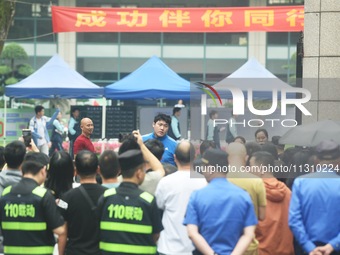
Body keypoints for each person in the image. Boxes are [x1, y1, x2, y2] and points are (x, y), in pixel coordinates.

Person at [184, 149, 258, 255]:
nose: (203, 171)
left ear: (210, 169)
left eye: (203, 168)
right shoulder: (244, 196)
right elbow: (249, 234)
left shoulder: (197, 196)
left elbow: (192, 233)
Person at [97, 149, 163, 255]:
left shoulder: (106, 198)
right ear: (138, 173)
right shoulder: (148, 200)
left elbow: (97, 230)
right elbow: (156, 234)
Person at [0, 159, 66, 255]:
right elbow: (60, 230)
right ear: (43, 170)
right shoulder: (43, 195)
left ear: (22, 171)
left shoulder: (6, 193)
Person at [289, 140, 340, 255]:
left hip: (308, 249)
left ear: (316, 161)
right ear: (339, 162)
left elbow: (294, 220)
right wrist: (333, 244)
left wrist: (309, 247)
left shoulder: (300, 182)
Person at [155, 141, 207, 255]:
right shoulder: (204, 182)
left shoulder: (165, 182)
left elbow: (158, 207)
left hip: (168, 248)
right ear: (194, 157)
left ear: (174, 157)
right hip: (196, 248)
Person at [58, 150, 107, 255]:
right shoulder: (109, 196)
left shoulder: (66, 198)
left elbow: (63, 232)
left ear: (76, 171)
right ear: (98, 169)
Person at [249, 151, 294, 255]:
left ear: (261, 169)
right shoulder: (288, 192)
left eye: (251, 165)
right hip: (286, 250)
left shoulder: (253, 193)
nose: (248, 170)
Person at [227, 142, 267, 255]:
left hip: (225, 245)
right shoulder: (256, 181)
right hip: (249, 245)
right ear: (246, 157)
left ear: (226, 157)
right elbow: (262, 216)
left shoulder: (219, 179)